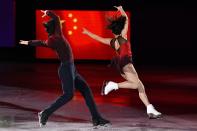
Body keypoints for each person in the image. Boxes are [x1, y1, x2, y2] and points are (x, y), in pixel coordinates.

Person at [19, 10, 110, 127]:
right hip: (66, 69)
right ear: (53, 28)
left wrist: (47, 12)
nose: (57, 25)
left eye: (48, 26)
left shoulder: (58, 32)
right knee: (68, 95)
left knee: (86, 89)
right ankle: (45, 113)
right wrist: (28, 42)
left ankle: (97, 119)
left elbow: (56, 18)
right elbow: (41, 42)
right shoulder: (52, 40)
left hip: (72, 68)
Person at [82, 6, 162, 119]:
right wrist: (121, 9)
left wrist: (87, 32)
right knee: (136, 85)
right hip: (127, 63)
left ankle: (150, 109)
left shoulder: (111, 41)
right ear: (120, 29)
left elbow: (97, 38)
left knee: (140, 86)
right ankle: (112, 85)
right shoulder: (123, 36)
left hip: (120, 64)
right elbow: (126, 19)